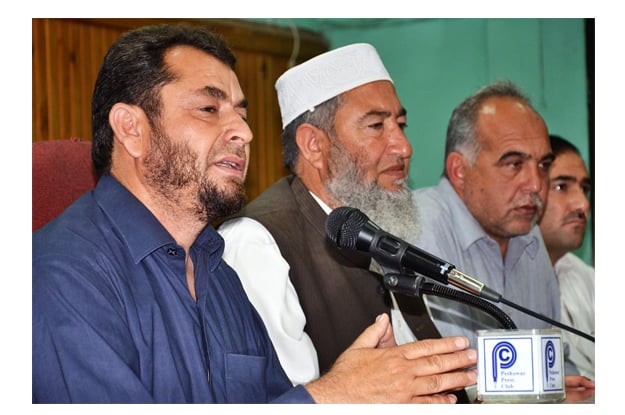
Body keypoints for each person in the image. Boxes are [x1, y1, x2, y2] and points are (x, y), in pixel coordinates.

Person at [32, 24, 478, 404]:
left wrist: (365, 391)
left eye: (242, 114)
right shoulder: (60, 276)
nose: (244, 133)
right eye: (209, 109)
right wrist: (334, 395)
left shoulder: (216, 269)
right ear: (132, 129)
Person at [218, 43, 470, 401]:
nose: (404, 146)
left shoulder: (375, 226)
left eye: (401, 124)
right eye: (376, 125)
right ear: (313, 144)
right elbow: (289, 397)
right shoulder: (257, 241)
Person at [409, 80, 595, 392]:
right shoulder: (419, 229)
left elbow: (556, 362)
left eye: (542, 165)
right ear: (459, 170)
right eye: (514, 164)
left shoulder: (530, 237)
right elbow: (442, 382)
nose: (536, 185)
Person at [538, 134, 594, 379]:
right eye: (562, 186)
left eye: (585, 189)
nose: (582, 204)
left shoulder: (587, 278)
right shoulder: (493, 279)